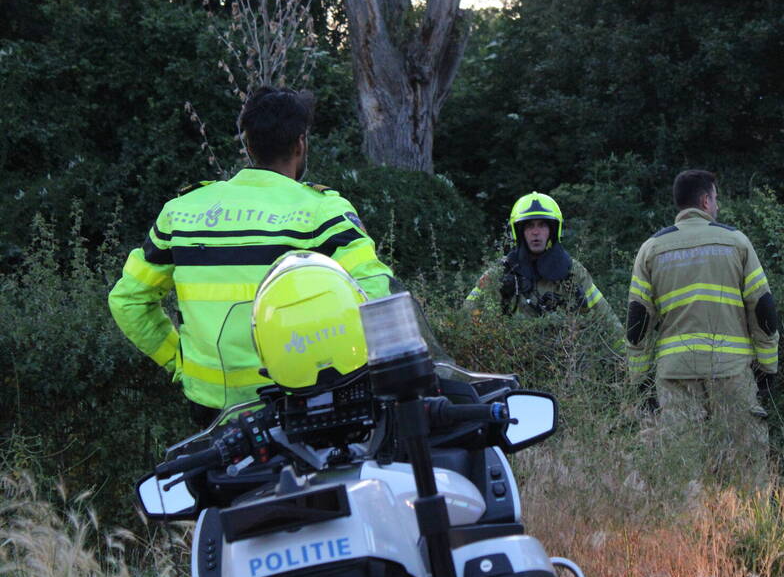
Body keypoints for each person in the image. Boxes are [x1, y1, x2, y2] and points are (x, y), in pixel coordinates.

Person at [108, 86, 394, 427]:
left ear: (248, 145)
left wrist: (180, 362)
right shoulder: (322, 212)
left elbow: (127, 301)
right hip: (299, 405)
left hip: (213, 412)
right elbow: (377, 294)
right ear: (300, 144)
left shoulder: (182, 211)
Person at [626, 170, 778, 479]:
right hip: (731, 370)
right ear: (706, 200)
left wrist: (639, 378)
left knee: (682, 465)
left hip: (675, 372)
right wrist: (767, 367)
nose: (717, 206)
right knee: (746, 462)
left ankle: (686, 523)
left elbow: (637, 325)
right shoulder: (736, 242)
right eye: (716, 199)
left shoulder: (651, 249)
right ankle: (746, 522)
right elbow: (763, 310)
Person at [464, 192, 622, 340]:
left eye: (542, 225)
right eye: (529, 226)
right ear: (520, 232)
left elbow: (606, 318)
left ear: (552, 231)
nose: (536, 232)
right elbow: (466, 314)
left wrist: (625, 359)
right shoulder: (501, 271)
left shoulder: (572, 271)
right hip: (511, 358)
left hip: (562, 360)